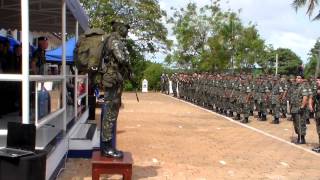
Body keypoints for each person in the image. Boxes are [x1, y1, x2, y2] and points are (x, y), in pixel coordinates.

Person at [100, 20, 131, 158]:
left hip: (114, 79)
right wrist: (129, 65)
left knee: (111, 110)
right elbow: (121, 58)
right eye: (125, 27)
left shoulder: (113, 40)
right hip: (112, 79)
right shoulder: (114, 41)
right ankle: (106, 148)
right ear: (119, 27)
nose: (127, 30)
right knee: (110, 111)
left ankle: (107, 145)